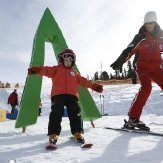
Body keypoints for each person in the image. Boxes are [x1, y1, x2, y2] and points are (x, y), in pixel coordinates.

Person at [28, 48, 103, 146]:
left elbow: (83, 81)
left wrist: (94, 86)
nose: (68, 61)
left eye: (71, 60)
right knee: (56, 113)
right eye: (66, 59)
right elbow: (46, 70)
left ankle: (77, 133)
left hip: (72, 96)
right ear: (61, 60)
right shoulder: (56, 69)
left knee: (75, 114)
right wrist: (37, 70)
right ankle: (53, 134)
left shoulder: (74, 73)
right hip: (58, 95)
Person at [111, 11, 163, 131]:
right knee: (146, 88)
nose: (148, 26)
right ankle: (133, 120)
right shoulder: (140, 36)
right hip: (142, 66)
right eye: (146, 24)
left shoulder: (161, 35)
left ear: (155, 23)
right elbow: (130, 49)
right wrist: (122, 59)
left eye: (150, 23)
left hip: (156, 67)